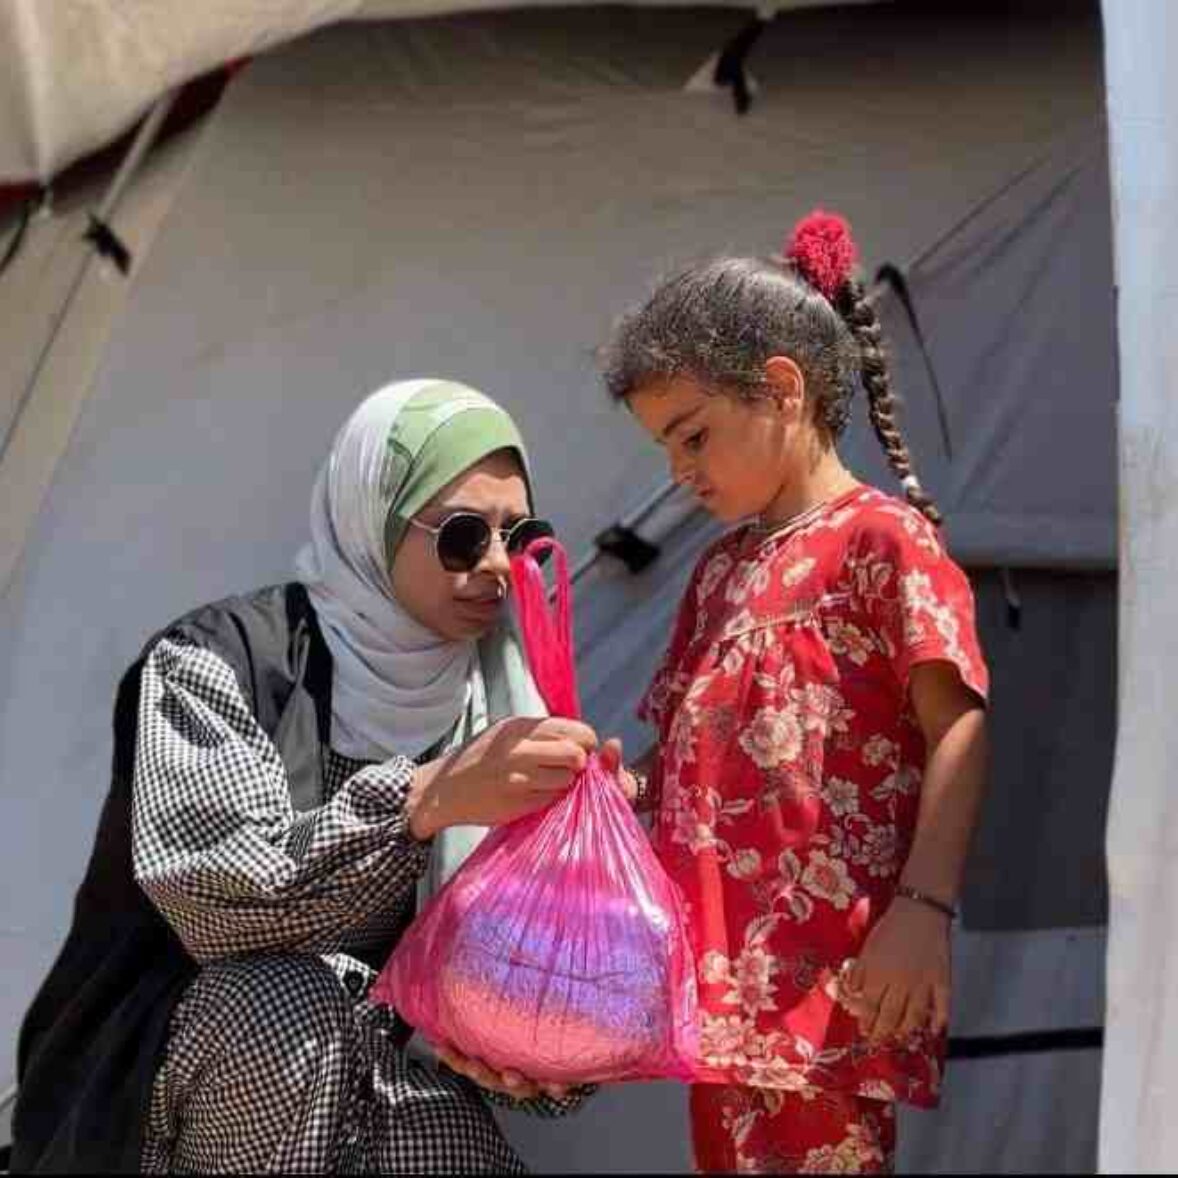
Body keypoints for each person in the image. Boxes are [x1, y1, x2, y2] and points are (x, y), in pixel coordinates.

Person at [11, 378, 626, 1174]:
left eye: (520, 534)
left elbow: (505, 963)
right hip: (166, 1072)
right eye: (463, 535)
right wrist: (426, 800)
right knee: (286, 1008)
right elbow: (217, 905)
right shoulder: (216, 661)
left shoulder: (502, 692)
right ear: (373, 518)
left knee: (450, 1144)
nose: (497, 565)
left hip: (377, 1062)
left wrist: (538, 1030)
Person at [601, 212, 989, 1174]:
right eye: (665, 450)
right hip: (719, 1003)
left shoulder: (883, 542)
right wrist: (613, 787)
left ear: (782, 387)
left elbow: (960, 730)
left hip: (833, 993)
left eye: (694, 436)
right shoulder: (717, 575)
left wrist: (925, 909)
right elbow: (681, 762)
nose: (679, 473)